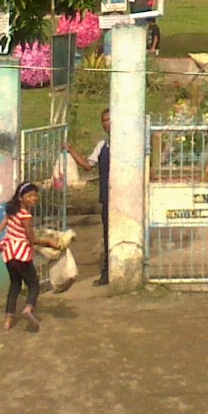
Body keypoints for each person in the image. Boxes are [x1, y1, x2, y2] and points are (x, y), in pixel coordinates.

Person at [0, 180, 42, 331]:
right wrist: (51, 243)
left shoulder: (12, 212)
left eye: (35, 196)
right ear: (21, 198)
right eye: (30, 196)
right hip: (21, 253)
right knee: (33, 284)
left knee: (15, 285)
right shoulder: (25, 216)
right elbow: (32, 239)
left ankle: (8, 320)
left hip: (8, 253)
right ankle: (28, 309)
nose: (34, 198)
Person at [68, 109, 112, 286]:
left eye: (109, 120)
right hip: (107, 196)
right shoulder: (102, 145)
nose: (106, 123)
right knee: (108, 235)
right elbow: (88, 165)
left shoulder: (127, 144)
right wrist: (70, 150)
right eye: (104, 120)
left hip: (122, 197)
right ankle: (107, 272)